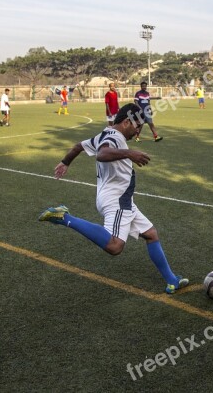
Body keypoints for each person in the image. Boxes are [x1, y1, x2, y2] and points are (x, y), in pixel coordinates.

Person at [39, 103, 188, 294]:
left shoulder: (105, 134)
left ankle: (172, 280)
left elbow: (79, 147)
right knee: (115, 246)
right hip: (116, 199)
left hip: (122, 199)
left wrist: (65, 162)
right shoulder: (114, 137)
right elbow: (102, 154)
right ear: (127, 122)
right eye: (137, 127)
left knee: (151, 234)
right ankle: (65, 217)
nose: (137, 132)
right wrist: (129, 153)